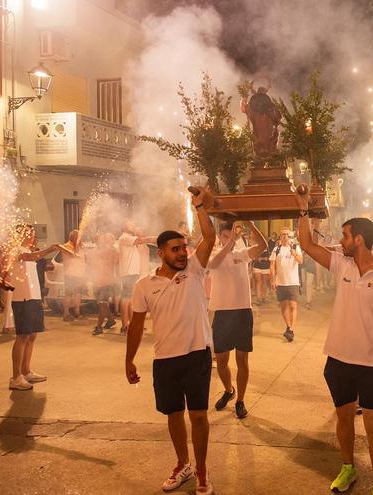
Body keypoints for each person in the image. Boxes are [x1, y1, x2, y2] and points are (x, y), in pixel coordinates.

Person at [294, 188, 373, 495]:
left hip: (372, 363)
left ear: (360, 239)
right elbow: (307, 243)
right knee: (344, 419)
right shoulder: (342, 265)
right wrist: (303, 211)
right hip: (338, 359)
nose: (341, 241)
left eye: (345, 235)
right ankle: (348, 467)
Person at [125, 187, 216, 495]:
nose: (182, 253)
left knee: (199, 416)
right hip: (165, 359)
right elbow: (136, 326)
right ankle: (183, 465)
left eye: (184, 248)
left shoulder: (195, 270)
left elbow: (210, 238)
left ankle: (202, 471)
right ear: (161, 252)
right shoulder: (144, 286)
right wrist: (129, 360)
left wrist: (200, 206)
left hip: (197, 354)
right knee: (174, 415)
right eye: (175, 249)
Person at [208, 221, 267, 419]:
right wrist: (230, 242)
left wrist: (250, 222)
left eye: (232, 236)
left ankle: (240, 399)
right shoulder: (215, 252)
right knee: (222, 360)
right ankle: (228, 390)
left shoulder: (242, 254)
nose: (230, 239)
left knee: (242, 359)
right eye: (225, 236)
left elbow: (263, 246)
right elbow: (213, 264)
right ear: (220, 237)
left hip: (242, 310)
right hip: (223, 312)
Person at [7, 225, 59, 391]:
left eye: (33, 234)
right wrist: (49, 249)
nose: (32, 237)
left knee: (32, 335)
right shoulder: (16, 249)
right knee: (22, 336)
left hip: (33, 296)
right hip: (22, 297)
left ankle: (26, 370)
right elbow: (29, 257)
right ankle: (16, 377)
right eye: (29, 233)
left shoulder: (28, 249)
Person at [118, 221, 156, 335]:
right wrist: (155, 238)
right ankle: (124, 325)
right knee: (126, 299)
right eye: (131, 224)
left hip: (132, 272)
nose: (134, 226)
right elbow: (141, 240)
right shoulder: (124, 237)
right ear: (124, 226)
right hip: (128, 272)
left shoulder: (129, 238)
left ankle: (131, 324)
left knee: (131, 299)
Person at [269, 228, 303, 342]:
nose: (285, 236)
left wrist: (294, 254)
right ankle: (288, 326)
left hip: (293, 282)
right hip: (281, 282)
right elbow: (272, 265)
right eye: (283, 234)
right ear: (280, 236)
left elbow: (300, 261)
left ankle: (291, 329)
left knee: (293, 306)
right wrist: (273, 279)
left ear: (290, 236)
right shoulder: (276, 249)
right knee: (284, 306)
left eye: (287, 235)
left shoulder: (295, 247)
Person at [88, 233, 118, 335]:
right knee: (103, 305)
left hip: (107, 282)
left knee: (102, 304)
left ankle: (99, 327)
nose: (98, 240)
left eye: (100, 238)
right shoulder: (93, 251)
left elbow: (116, 264)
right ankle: (110, 320)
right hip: (96, 282)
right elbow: (90, 266)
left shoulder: (112, 251)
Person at [61, 229, 86, 321]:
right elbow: (72, 257)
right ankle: (66, 313)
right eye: (78, 236)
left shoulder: (80, 246)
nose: (80, 239)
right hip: (70, 274)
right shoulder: (66, 246)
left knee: (78, 294)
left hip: (80, 274)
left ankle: (77, 313)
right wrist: (77, 247)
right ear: (72, 237)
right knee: (68, 294)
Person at [252, 230, 272, 305]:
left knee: (265, 282)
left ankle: (264, 297)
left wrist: (266, 258)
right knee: (259, 281)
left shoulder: (267, 244)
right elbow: (252, 255)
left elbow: (270, 254)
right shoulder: (255, 244)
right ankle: (258, 298)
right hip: (257, 265)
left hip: (266, 266)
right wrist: (258, 258)